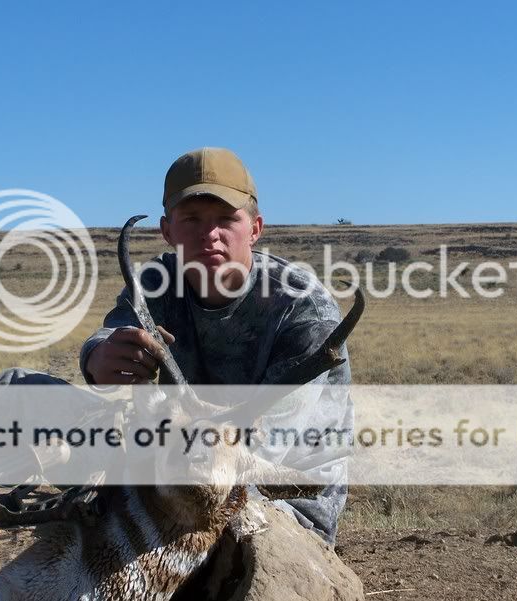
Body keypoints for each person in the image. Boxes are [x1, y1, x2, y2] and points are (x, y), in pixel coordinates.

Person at [80, 147, 353, 544]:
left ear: (255, 228)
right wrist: (98, 356)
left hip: (274, 496)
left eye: (226, 219)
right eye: (191, 219)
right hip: (178, 469)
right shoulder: (156, 282)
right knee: (19, 388)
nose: (210, 235)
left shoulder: (304, 310)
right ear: (167, 230)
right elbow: (113, 330)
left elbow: (265, 447)